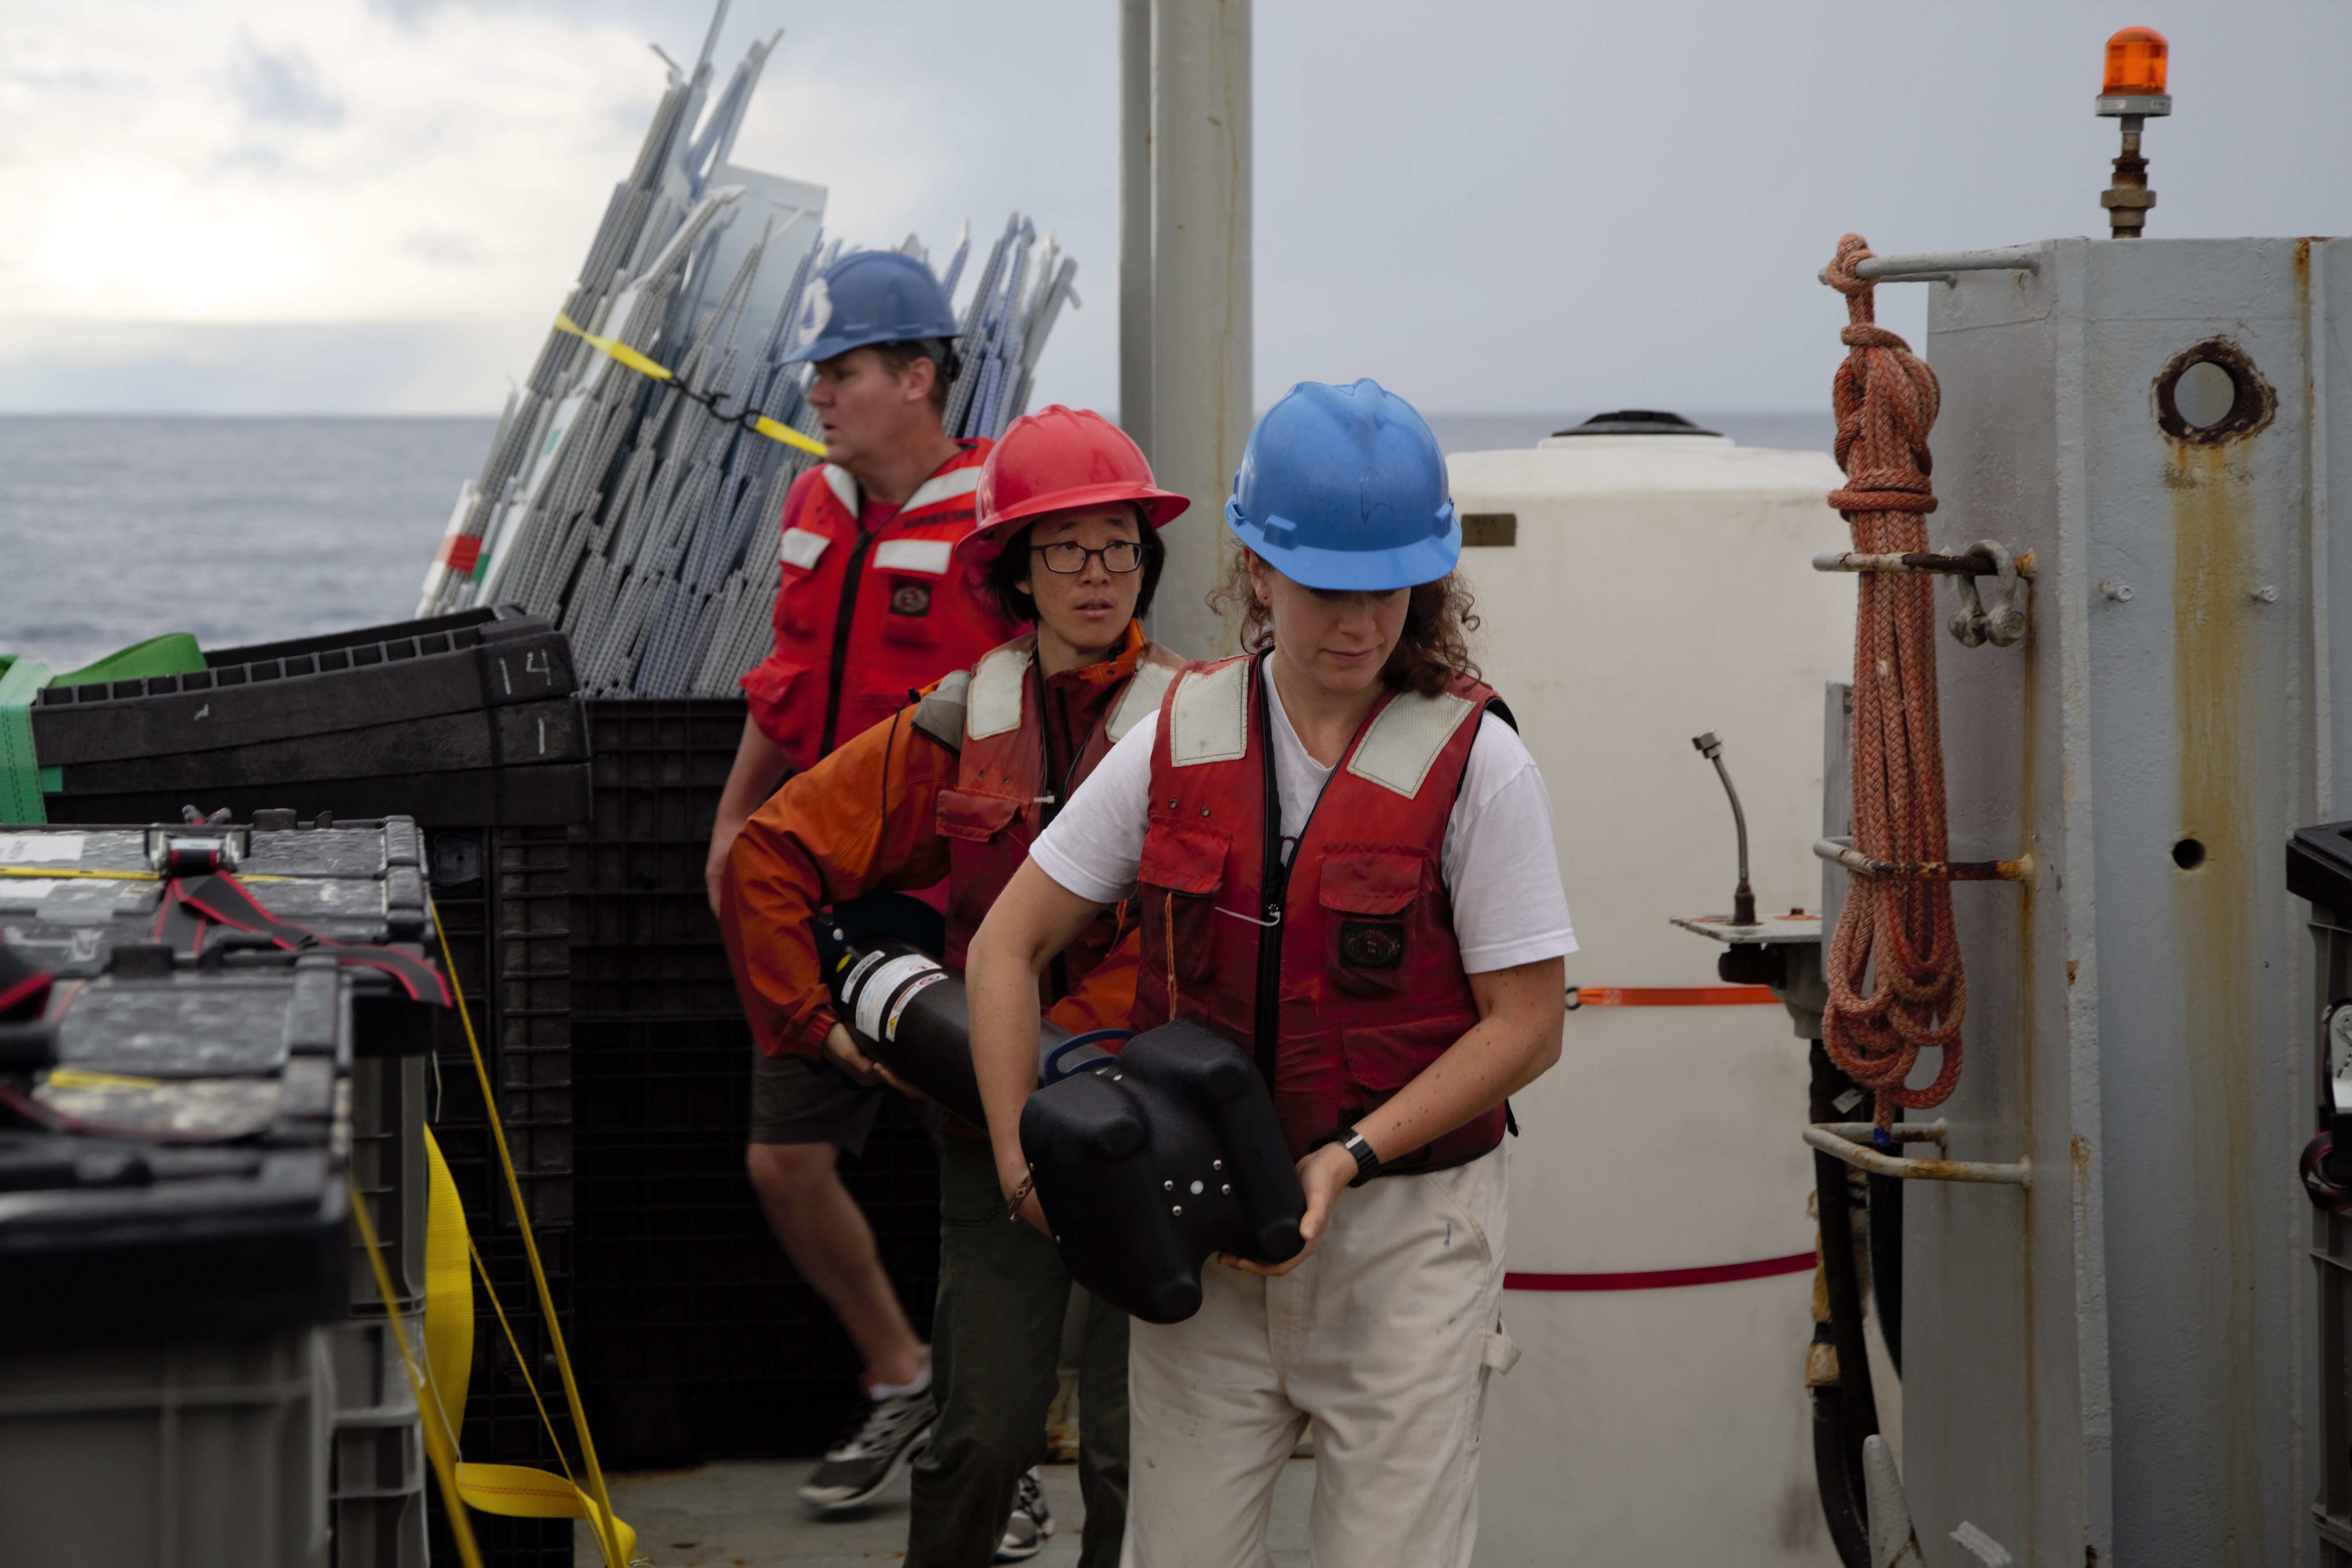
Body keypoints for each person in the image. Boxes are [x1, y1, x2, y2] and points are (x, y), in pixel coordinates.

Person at [964, 380, 1574, 1568]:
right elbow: (1006, 945)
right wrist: (1015, 1161)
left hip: (1405, 1241)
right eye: (1327, 589)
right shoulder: (1177, 739)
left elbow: (1529, 1025)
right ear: (1257, 571)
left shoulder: (1481, 766)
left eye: (1389, 589)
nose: (1361, 622)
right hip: (1204, 1236)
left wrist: (1348, 1158)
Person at [721, 405, 1192, 1561]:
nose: (1097, 573)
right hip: (999, 1128)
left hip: (1158, 1138)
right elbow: (770, 855)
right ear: (1015, 572)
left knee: (1138, 1453)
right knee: (976, 1439)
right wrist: (818, 1029)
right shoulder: (961, 720)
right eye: (1065, 548)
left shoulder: (1202, 724)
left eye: (1119, 545)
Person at [705, 249, 1028, 1514]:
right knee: (784, 1160)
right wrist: (735, 823)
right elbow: (785, 680)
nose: (819, 394)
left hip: (958, 906)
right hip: (816, 889)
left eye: (841, 371)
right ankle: (907, 1374)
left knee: (984, 1172)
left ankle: (997, 1447)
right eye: (819, 374)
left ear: (918, 376)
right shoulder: (815, 501)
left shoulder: (999, 517)